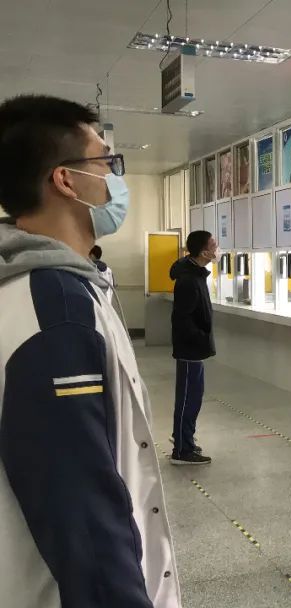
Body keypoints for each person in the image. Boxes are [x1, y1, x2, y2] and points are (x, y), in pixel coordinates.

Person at [0, 94, 180, 606]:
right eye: (105, 162)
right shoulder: (55, 312)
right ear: (66, 180)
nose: (115, 178)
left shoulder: (72, 288)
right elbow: (81, 514)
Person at [170, 230, 218, 465]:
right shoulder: (188, 280)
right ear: (203, 251)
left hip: (195, 349)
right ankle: (182, 450)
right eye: (213, 245)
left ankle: (185, 440)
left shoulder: (196, 275)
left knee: (194, 399)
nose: (216, 248)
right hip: (189, 349)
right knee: (188, 400)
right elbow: (182, 319)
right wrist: (200, 338)